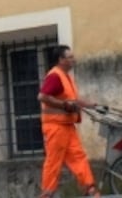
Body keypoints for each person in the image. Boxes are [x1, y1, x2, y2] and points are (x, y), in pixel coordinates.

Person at [37, 44, 101, 197]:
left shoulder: (66, 77)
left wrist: (91, 105)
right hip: (55, 126)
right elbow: (42, 97)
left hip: (66, 126)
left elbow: (73, 100)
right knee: (54, 161)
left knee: (78, 156)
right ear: (61, 60)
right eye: (70, 57)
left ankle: (89, 188)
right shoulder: (55, 76)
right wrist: (64, 105)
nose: (73, 60)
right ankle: (47, 193)